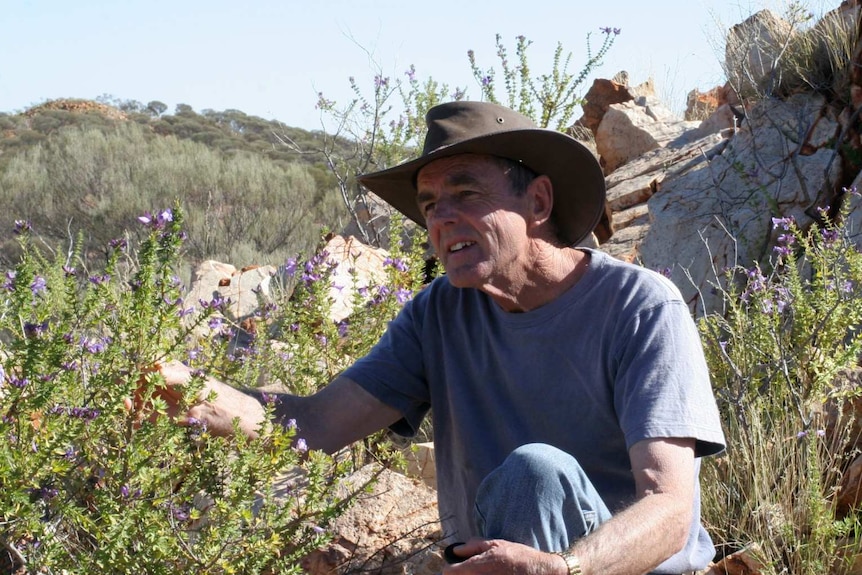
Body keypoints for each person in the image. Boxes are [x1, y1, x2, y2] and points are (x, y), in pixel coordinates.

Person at [159, 100, 726, 575]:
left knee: (535, 474)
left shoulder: (638, 306)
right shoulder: (439, 315)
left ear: (539, 202)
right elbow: (314, 426)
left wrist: (565, 569)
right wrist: (187, 389)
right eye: (429, 205)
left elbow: (670, 509)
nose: (440, 219)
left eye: (466, 194)